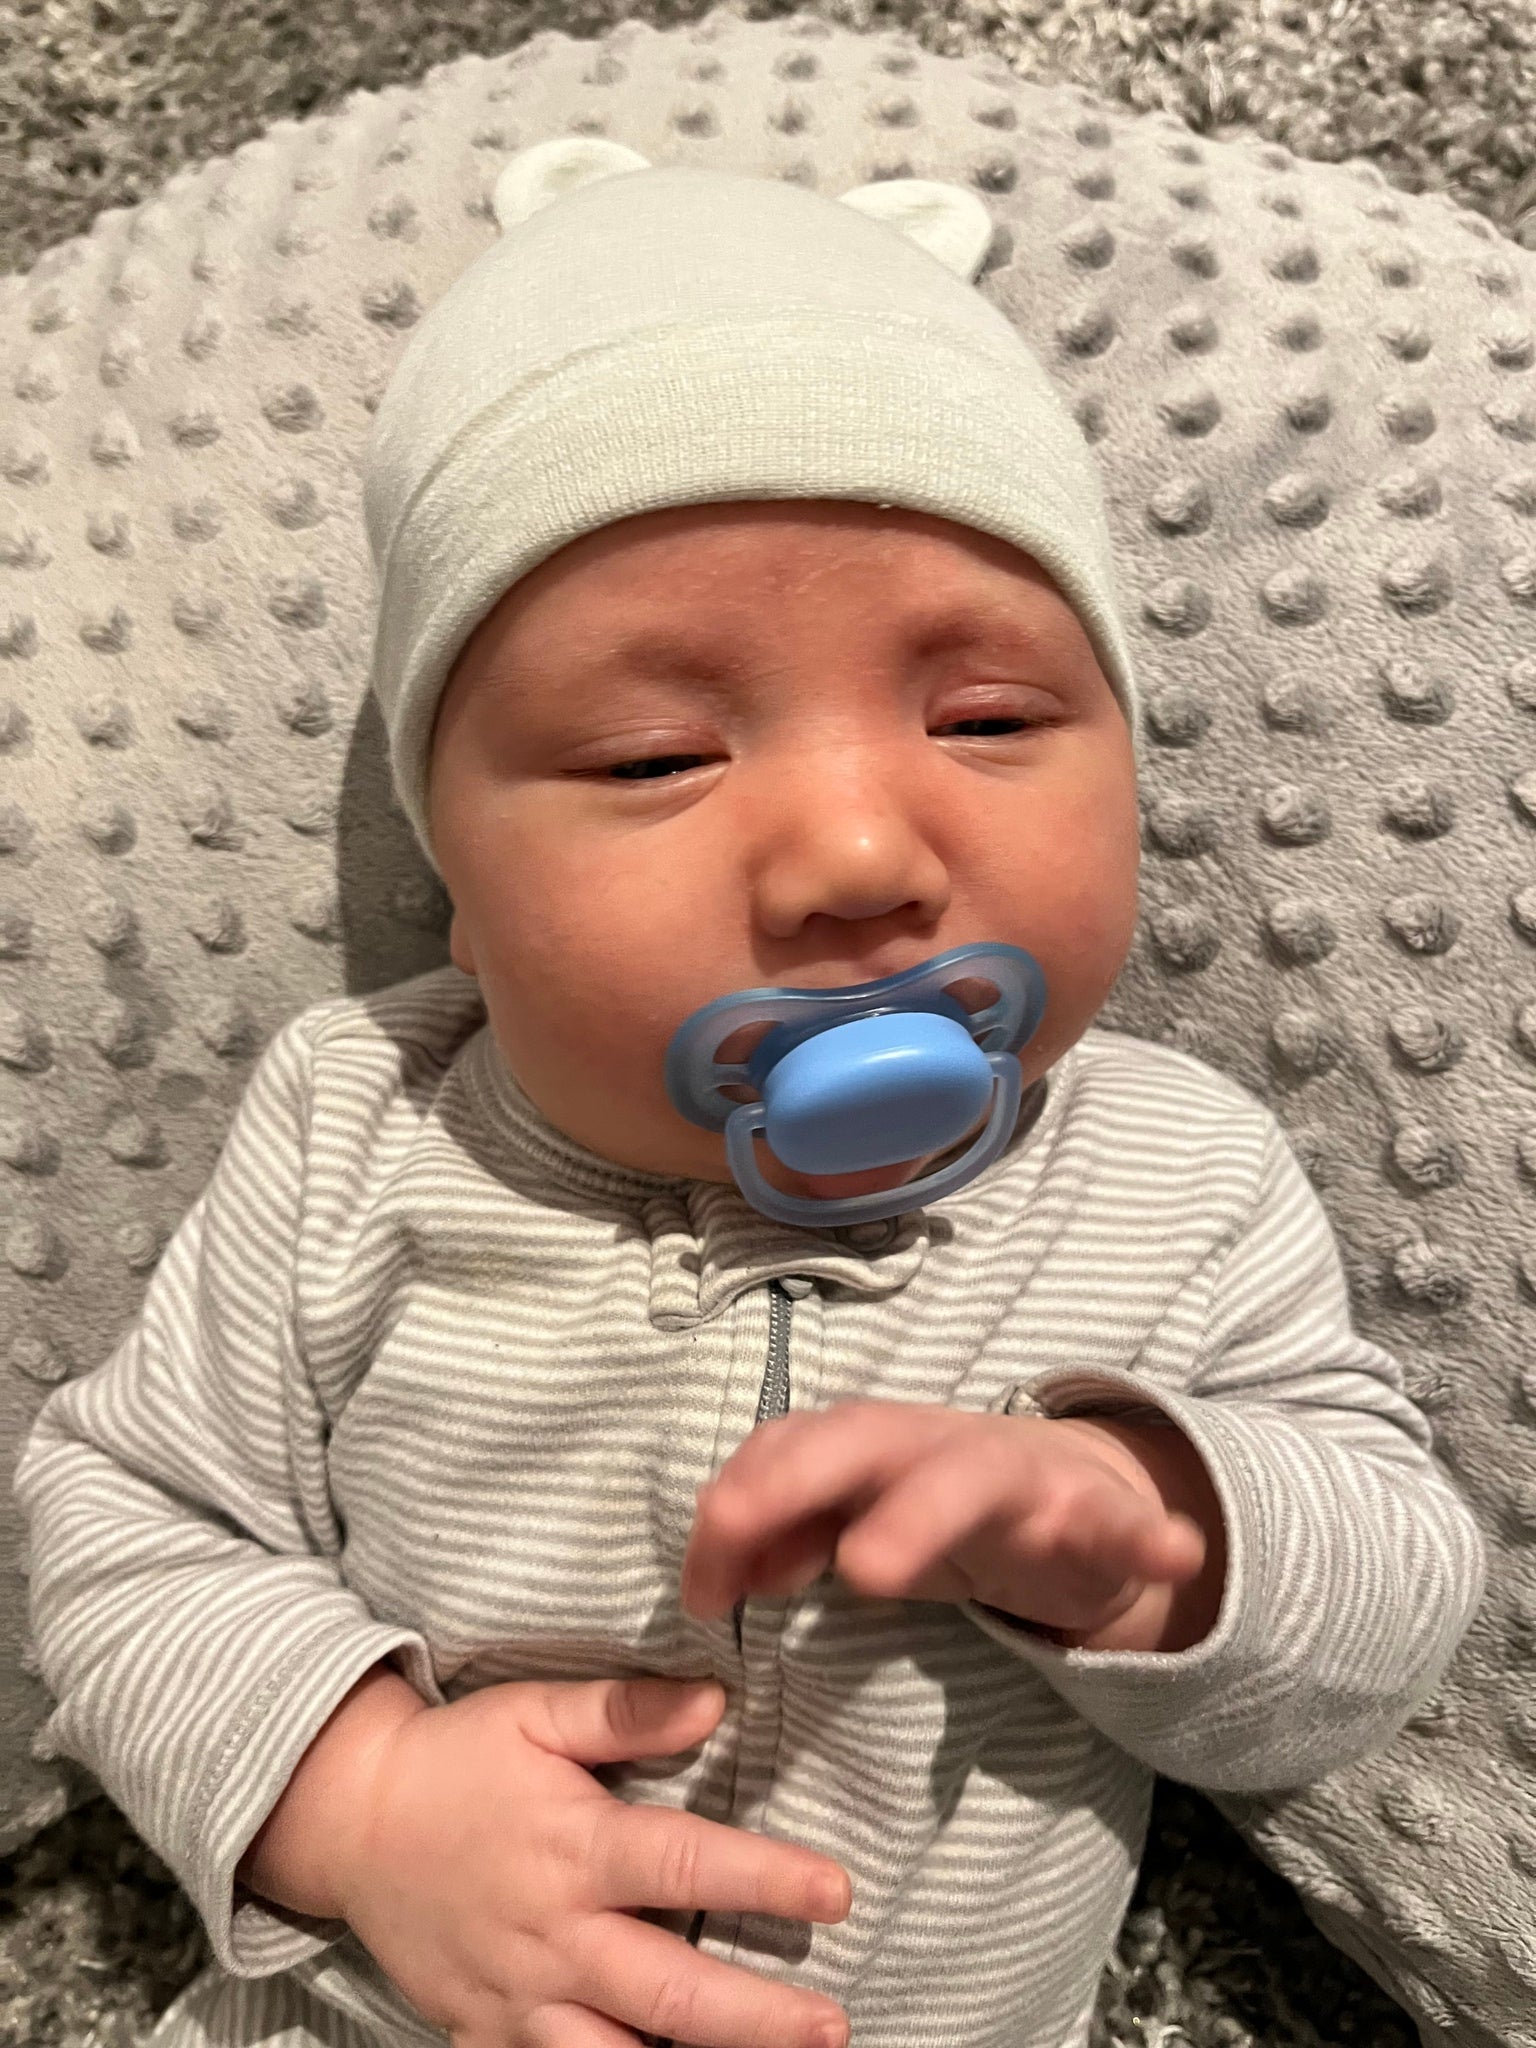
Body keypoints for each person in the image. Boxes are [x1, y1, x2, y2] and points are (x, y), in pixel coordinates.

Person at [12, 138, 1485, 2048]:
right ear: (450, 880)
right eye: (648, 758)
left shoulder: (1170, 1171)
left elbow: (1382, 1621)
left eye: (986, 721)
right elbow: (127, 1519)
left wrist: (1159, 1526)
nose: (859, 849)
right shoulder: (354, 1127)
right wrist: (357, 1801)